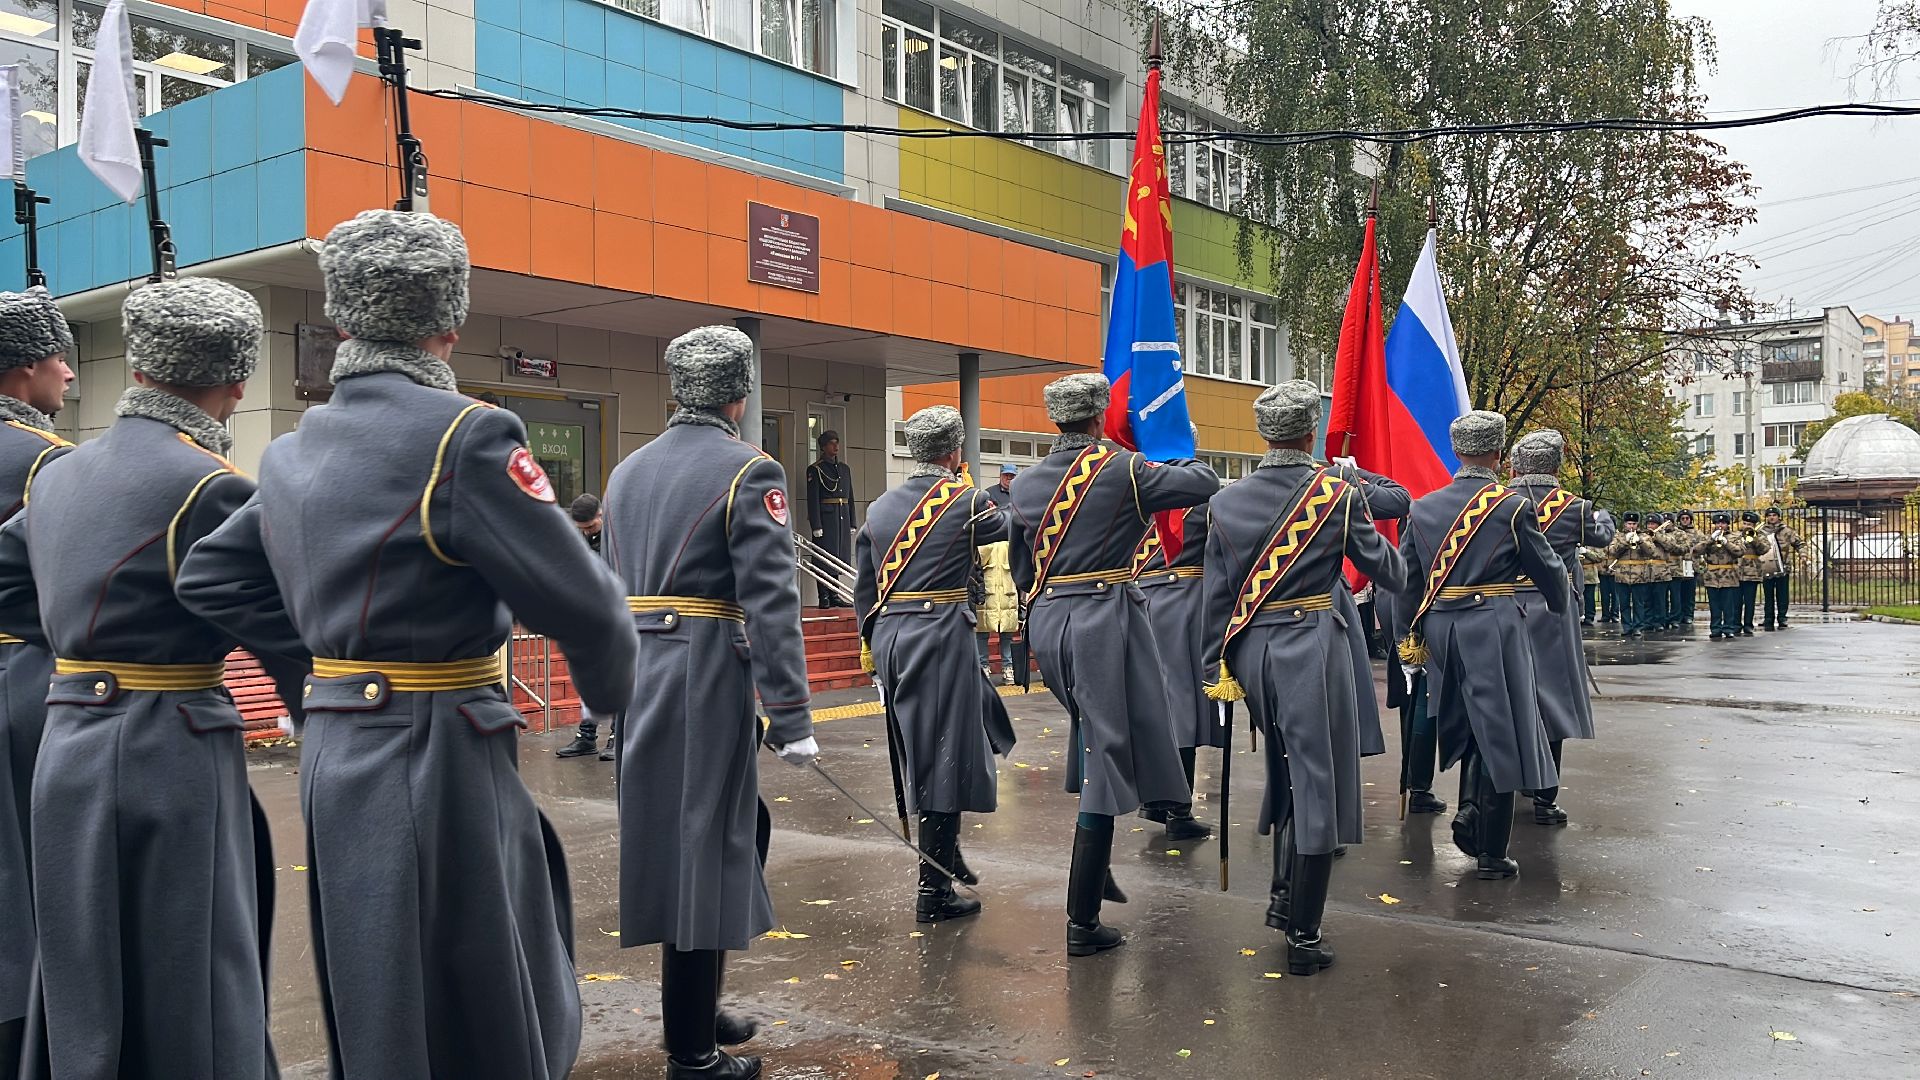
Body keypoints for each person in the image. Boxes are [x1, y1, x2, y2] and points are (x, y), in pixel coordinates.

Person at [177, 210, 638, 1080]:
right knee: (482, 999)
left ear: (343, 320)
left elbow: (212, 578)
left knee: (379, 989)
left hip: (342, 748)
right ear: (451, 324)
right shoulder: (468, 435)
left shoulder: (289, 451)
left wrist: (322, 680)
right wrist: (615, 699)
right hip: (443, 747)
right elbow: (589, 610)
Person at [0, 278, 308, 1078]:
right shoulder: (213, 485)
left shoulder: (63, 473)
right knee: (194, 970)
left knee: (82, 963)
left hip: (70, 737)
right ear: (237, 381)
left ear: (138, 367)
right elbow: (269, 618)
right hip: (171, 744)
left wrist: (85, 647)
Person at [605, 325, 815, 1080]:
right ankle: (692, 1054)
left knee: (723, 836)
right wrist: (790, 716)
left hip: (641, 675)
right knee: (700, 851)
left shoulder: (627, 471)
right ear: (740, 393)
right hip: (702, 678)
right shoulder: (748, 469)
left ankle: (701, 1006)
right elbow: (771, 601)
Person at [1007, 372, 1217, 956]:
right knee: (1106, 750)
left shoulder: (1024, 483)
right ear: (1099, 417)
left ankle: (1097, 876)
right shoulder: (1122, 468)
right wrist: (1162, 434)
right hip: (1105, 618)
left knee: (1098, 734)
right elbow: (1203, 480)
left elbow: (1021, 563)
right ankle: (1082, 919)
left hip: (1051, 620)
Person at [1202, 383, 1405, 974]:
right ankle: (1304, 935)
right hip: (1310, 644)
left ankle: (1285, 896)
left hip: (1250, 651)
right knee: (1316, 780)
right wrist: (1362, 501)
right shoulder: (1335, 494)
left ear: (1264, 433)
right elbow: (1384, 568)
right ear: (1310, 430)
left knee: (1288, 769)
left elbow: (1215, 599)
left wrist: (1214, 666)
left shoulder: (1226, 501)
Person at [855, 406, 1013, 925]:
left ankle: (945, 852)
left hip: (892, 636)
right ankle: (933, 890)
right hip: (940, 633)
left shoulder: (879, 507)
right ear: (953, 451)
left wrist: (870, 641)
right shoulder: (967, 500)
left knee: (939, 743)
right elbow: (1007, 529)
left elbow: (864, 587)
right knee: (943, 755)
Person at [1393, 410, 1565, 880]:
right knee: (1502, 728)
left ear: (1456, 450)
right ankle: (1490, 848)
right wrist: (1559, 604)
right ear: (1498, 452)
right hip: (1494, 625)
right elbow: (1547, 569)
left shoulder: (1423, 506)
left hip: (1440, 628)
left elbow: (1406, 582)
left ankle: (1471, 807)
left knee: (1462, 721)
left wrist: (1406, 636)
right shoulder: (1510, 507)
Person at [0, 287, 73, 1075]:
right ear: (24, 369)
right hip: (26, 675)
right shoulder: (47, 463)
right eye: (59, 358)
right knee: (34, 871)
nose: (67, 376)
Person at [1506, 430, 1615, 826]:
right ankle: (1545, 798)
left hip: (1506, 606)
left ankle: (1516, 779)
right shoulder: (1575, 507)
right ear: (1556, 466)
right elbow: (1601, 537)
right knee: (1552, 699)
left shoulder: (1498, 501)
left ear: (1516, 464)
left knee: (1511, 696)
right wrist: (1604, 515)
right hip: (1553, 608)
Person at [1132, 499, 1220, 845]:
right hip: (1183, 603)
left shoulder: (1134, 491)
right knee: (1182, 711)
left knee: (1154, 707)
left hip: (1139, 600)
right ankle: (1177, 810)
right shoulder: (1199, 498)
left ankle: (1155, 800)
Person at [558, 492, 618, 760]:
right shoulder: (579, 540)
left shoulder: (616, 540)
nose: (587, 532)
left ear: (601, 516)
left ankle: (618, 736)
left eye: (591, 527)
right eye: (581, 529)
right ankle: (587, 736)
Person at [975, 464, 1021, 683]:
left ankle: (1008, 668)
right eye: (1006, 475)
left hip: (1008, 584)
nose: (1009, 479)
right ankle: (983, 666)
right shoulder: (989, 494)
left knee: (1007, 631)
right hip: (989, 586)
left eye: (1012, 476)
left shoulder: (1020, 494)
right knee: (983, 630)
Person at [805, 430, 856, 607]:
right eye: (831, 443)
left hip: (841, 517)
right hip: (826, 519)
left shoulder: (844, 469)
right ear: (823, 447)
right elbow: (813, 500)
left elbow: (850, 497)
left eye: (837, 443)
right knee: (823, 557)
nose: (835, 446)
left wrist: (852, 521)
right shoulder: (816, 469)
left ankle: (835, 594)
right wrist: (816, 524)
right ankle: (824, 596)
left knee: (837, 557)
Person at [1697, 512, 1759, 641]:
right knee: (1714, 605)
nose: (1720, 525)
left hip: (1729, 576)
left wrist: (1726, 542)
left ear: (1727, 524)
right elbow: (1696, 551)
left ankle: (1729, 628)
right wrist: (1710, 540)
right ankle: (1715, 628)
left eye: (1723, 523)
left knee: (1729, 605)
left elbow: (1740, 551)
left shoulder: (1735, 537)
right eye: (1718, 523)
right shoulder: (1708, 537)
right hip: (1712, 576)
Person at [1606, 514, 1659, 639]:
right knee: (1624, 604)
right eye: (1629, 523)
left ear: (1638, 525)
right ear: (1624, 524)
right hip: (1622, 575)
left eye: (1634, 524)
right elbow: (1611, 551)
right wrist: (1625, 541)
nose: (1631, 526)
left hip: (1639, 575)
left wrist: (1640, 541)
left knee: (1638, 603)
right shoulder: (1618, 536)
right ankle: (1626, 627)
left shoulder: (1644, 536)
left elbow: (1652, 552)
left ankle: (1638, 627)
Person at [1759, 507, 1806, 630]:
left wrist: (1803, 555)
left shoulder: (1787, 531)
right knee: (1768, 595)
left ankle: (1782, 618)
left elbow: (1799, 543)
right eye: (1769, 515)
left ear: (1779, 516)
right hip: (1767, 567)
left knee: (1782, 594)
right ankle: (1768, 618)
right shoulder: (1762, 531)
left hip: (1783, 566)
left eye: (1774, 515)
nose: (1772, 517)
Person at [1665, 510, 1706, 627]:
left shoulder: (1697, 533)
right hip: (1677, 564)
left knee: (1689, 592)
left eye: (1687, 518)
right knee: (1677, 592)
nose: (1685, 521)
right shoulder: (1675, 532)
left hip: (1690, 564)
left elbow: (1703, 547)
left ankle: (1688, 615)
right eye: (1682, 518)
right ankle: (1677, 615)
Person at [1735, 510, 1765, 636]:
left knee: (1749, 601)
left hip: (1752, 572)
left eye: (1749, 524)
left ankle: (1748, 624)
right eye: (1745, 523)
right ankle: (1736, 624)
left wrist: (1754, 539)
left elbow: (1763, 549)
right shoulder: (1736, 535)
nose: (1746, 526)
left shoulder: (1760, 535)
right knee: (1736, 601)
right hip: (1736, 571)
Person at [1644, 513, 1674, 631]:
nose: (1651, 526)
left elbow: (1670, 546)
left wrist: (1656, 536)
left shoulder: (1666, 536)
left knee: (1660, 599)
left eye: (1653, 524)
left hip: (1661, 572)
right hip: (1646, 571)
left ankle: (1660, 621)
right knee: (1647, 598)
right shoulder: (1643, 536)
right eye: (1649, 524)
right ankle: (1648, 621)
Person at [1578, 544, 1608, 626]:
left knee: (1589, 597)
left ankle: (1589, 617)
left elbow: (1599, 557)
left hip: (1589, 574)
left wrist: (1586, 552)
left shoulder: (1592, 542)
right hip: (1575, 572)